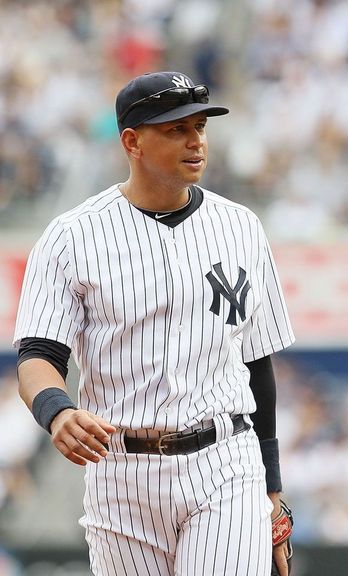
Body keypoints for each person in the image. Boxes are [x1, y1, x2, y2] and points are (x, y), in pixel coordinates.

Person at [13, 71, 296, 576]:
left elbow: (258, 363)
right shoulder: (71, 236)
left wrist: (272, 491)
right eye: (175, 129)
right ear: (132, 141)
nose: (196, 141)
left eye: (200, 127)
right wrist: (57, 411)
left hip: (224, 461)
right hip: (120, 470)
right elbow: (38, 356)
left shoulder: (241, 227)